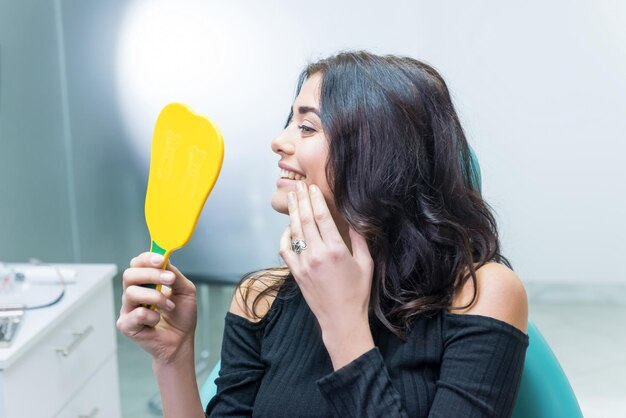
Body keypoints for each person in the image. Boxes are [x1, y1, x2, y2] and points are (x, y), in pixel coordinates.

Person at [117, 51, 529, 418]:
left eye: (308, 127)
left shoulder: (480, 294)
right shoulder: (260, 297)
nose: (279, 142)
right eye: (289, 123)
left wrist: (342, 322)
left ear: (380, 153)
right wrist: (172, 359)